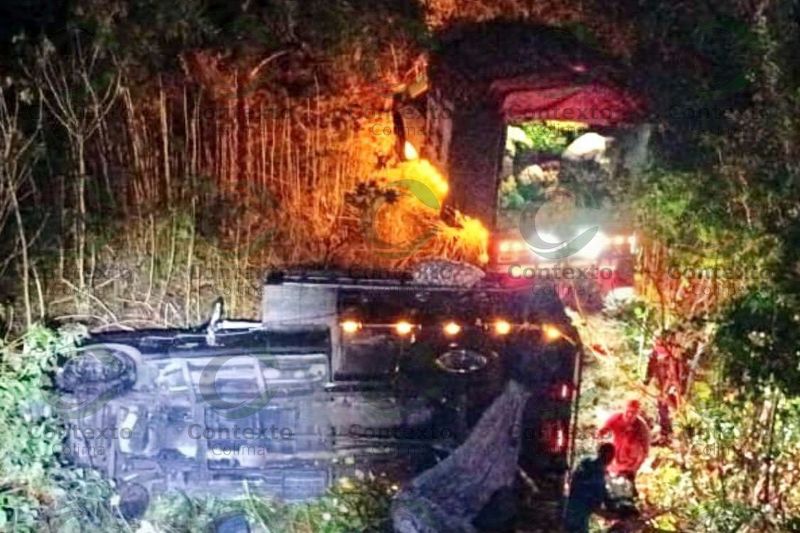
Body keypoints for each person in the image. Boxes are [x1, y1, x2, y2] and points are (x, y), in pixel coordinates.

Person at [563, 442, 615, 533]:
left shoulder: (586, 462)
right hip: (579, 513)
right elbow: (596, 499)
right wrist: (608, 512)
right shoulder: (597, 474)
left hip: (571, 508)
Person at [597, 400, 650, 486]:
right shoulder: (615, 418)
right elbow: (601, 433)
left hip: (629, 466)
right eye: (628, 411)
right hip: (613, 462)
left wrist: (635, 468)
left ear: (637, 413)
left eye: (633, 412)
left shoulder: (642, 427)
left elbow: (646, 451)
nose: (630, 415)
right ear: (624, 409)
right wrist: (602, 433)